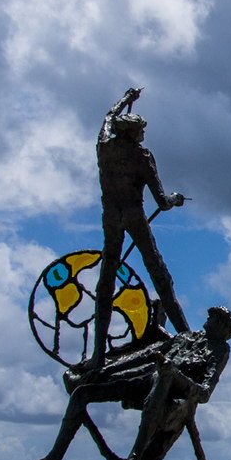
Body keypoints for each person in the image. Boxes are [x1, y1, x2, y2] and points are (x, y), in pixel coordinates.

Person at [26, 306, 231, 460]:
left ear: (222, 327)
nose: (208, 318)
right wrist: (104, 370)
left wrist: (174, 375)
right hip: (144, 381)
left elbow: (204, 394)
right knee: (82, 393)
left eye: (215, 317)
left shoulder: (220, 350)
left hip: (173, 401)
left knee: (160, 378)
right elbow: (144, 356)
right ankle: (53, 458)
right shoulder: (185, 338)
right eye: (212, 315)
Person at [88, 87, 188, 370]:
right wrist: (176, 200)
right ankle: (184, 332)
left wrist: (126, 99)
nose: (145, 133)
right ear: (134, 133)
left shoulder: (104, 147)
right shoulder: (142, 157)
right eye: (142, 130)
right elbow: (162, 201)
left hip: (111, 216)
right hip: (133, 216)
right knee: (159, 274)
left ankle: (98, 355)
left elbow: (108, 116)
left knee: (106, 280)